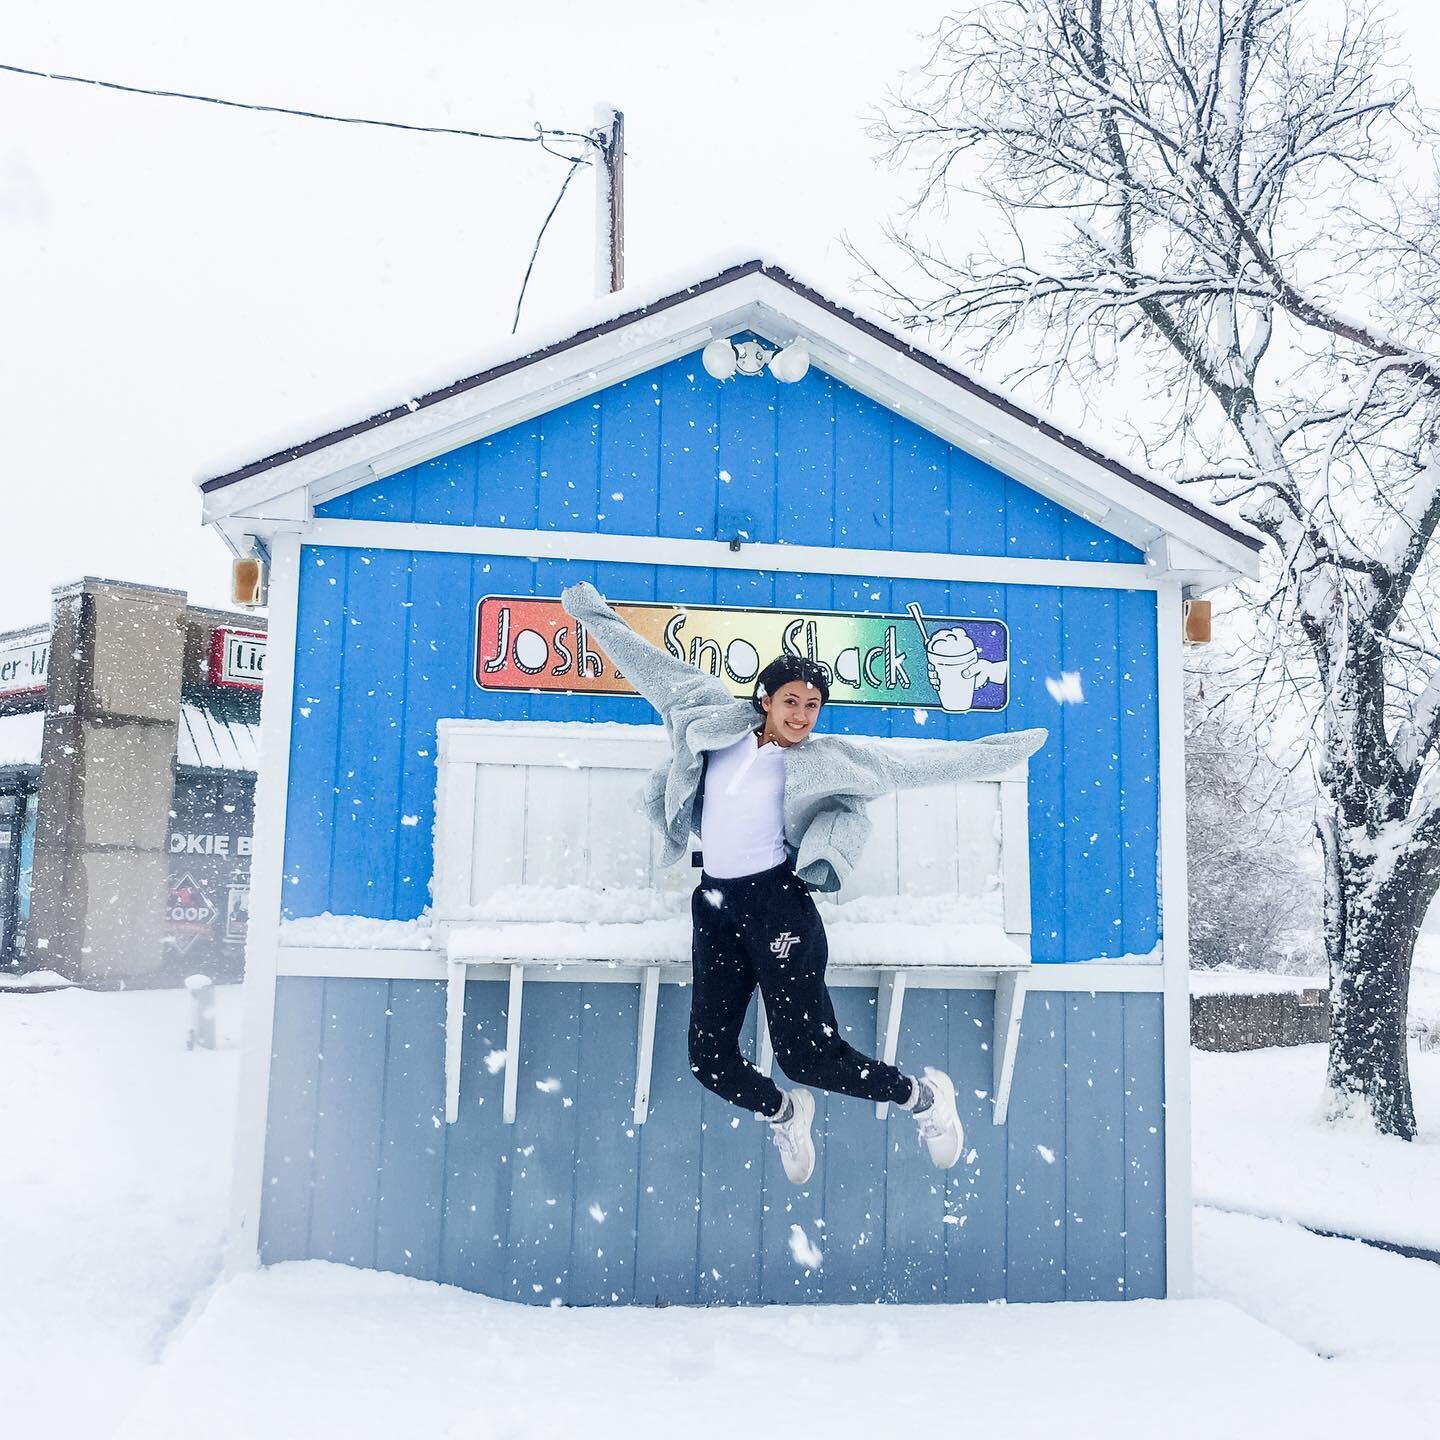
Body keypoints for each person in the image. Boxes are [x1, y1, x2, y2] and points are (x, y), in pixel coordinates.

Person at [560, 583, 1047, 1185]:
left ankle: (922, 1098)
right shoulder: (711, 719)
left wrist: (1000, 756)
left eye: (813, 705)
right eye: (791, 700)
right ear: (764, 699)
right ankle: (785, 1113)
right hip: (713, 904)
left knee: (807, 1056)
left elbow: (916, 768)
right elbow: (651, 668)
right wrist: (595, 616)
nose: (801, 715)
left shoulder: (823, 759)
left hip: (777, 907)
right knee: (708, 1060)